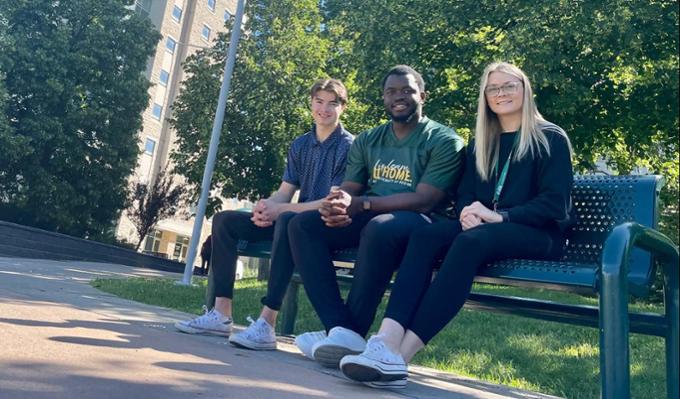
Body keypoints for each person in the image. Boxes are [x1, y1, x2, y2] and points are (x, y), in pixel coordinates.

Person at [338, 61, 575, 389]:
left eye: (509, 85)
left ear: (525, 90)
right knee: (425, 236)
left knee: (469, 243)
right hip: (485, 228)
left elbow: (555, 204)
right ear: (486, 97)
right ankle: (386, 339)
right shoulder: (483, 141)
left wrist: (502, 216)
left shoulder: (549, 138)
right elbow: (465, 193)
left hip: (537, 232)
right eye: (494, 88)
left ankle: (400, 358)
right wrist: (466, 212)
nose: (501, 93)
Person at [287, 65, 465, 368]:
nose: (399, 97)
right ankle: (339, 327)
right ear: (383, 98)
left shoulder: (444, 140)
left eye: (407, 90)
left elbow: (425, 200)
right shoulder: (369, 140)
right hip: (371, 214)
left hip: (421, 221)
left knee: (379, 228)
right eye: (391, 91)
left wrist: (362, 205)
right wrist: (337, 205)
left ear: (422, 96)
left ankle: (351, 331)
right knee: (303, 225)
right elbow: (350, 189)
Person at [175, 79, 354, 351]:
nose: (324, 109)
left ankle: (266, 323)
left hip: (320, 226)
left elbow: (330, 202)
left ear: (343, 107)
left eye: (332, 103)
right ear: (311, 103)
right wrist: (265, 208)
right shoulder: (301, 144)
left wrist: (279, 210)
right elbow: (285, 192)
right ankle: (221, 314)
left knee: (286, 219)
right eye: (319, 101)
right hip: (291, 217)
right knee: (225, 220)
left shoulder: (349, 146)